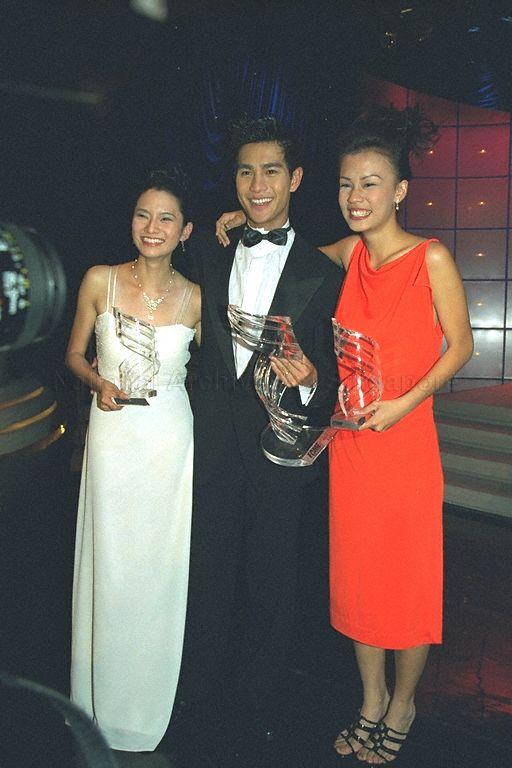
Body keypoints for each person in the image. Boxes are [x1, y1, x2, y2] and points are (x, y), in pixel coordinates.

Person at [216, 106, 473, 763]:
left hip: (405, 440)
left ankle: (402, 704)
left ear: (400, 191)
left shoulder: (430, 258)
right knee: (358, 583)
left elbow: (461, 347)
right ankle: (368, 700)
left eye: (370, 184)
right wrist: (243, 219)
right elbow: (286, 247)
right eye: (346, 185)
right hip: (351, 445)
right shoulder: (348, 253)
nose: (356, 197)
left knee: (406, 584)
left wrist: (404, 403)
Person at [174, 116, 343, 739]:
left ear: (294, 179)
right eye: (245, 171)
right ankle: (197, 684)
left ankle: (257, 701)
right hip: (213, 442)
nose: (257, 183)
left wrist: (305, 378)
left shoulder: (324, 275)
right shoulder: (206, 251)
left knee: (273, 579)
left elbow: (333, 373)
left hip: (280, 447)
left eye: (271, 170)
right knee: (209, 566)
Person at [66, 169, 201, 752]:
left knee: (157, 572)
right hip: (114, 433)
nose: (152, 227)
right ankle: (95, 703)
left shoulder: (198, 296)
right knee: (110, 565)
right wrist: (97, 381)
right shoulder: (100, 280)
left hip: (170, 441)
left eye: (166, 217)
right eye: (144, 215)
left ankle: (147, 709)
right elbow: (74, 354)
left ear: (185, 230)